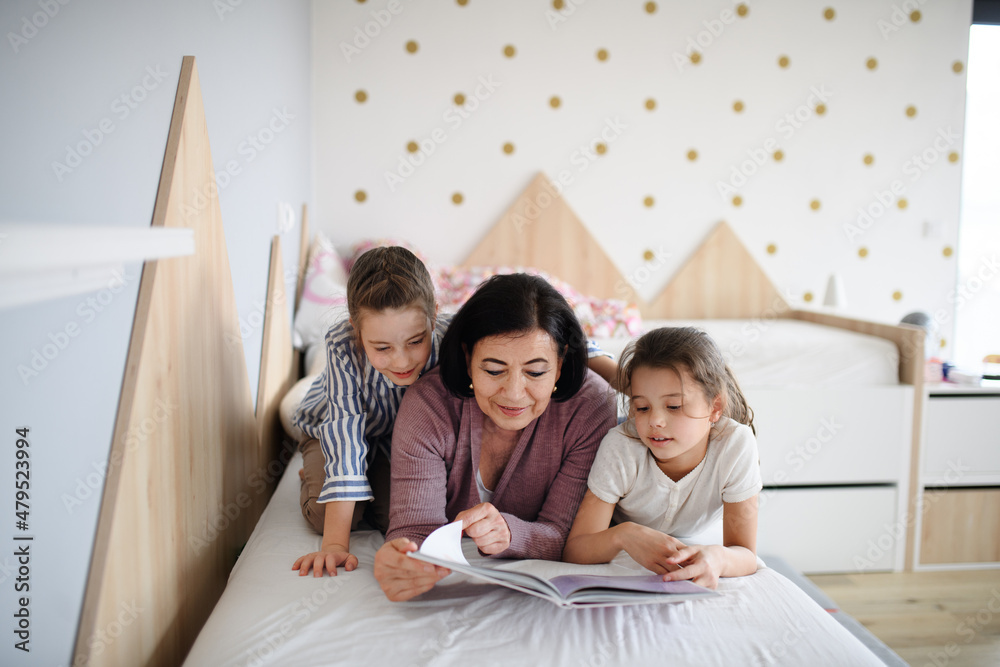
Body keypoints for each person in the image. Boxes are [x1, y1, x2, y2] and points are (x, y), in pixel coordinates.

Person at [292, 249, 617, 577]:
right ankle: (313, 475)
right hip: (336, 429)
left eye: (535, 373)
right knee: (332, 504)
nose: (403, 361)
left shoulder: (458, 332)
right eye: (493, 370)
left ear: (433, 317)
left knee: (387, 507)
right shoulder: (353, 353)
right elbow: (348, 444)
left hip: (397, 437)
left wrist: (622, 377)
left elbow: (551, 337)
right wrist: (338, 547)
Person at [373, 274, 617, 602]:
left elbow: (567, 535)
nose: (514, 394)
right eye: (493, 370)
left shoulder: (591, 407)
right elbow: (415, 529)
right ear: (468, 358)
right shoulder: (429, 405)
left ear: (559, 366)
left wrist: (509, 534)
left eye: (536, 372)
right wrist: (402, 561)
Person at [562, 327, 761, 590]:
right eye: (642, 407)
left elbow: (745, 553)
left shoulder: (736, 444)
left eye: (674, 406)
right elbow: (575, 549)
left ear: (715, 408)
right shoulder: (620, 447)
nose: (654, 421)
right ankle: (585, 351)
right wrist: (624, 535)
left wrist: (718, 558)